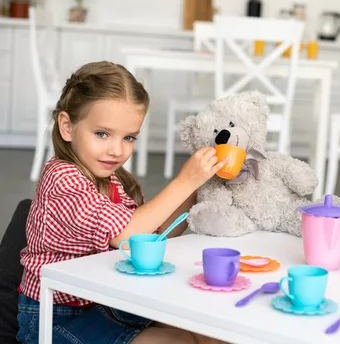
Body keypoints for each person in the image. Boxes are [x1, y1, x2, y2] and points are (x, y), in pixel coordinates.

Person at [17, 61, 227, 344]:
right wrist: (184, 182)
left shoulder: (109, 178)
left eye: (129, 137)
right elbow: (126, 235)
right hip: (56, 316)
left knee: (212, 332)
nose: (117, 150)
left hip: (105, 300)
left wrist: (197, 186)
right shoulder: (63, 178)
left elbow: (147, 238)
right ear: (67, 126)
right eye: (102, 134)